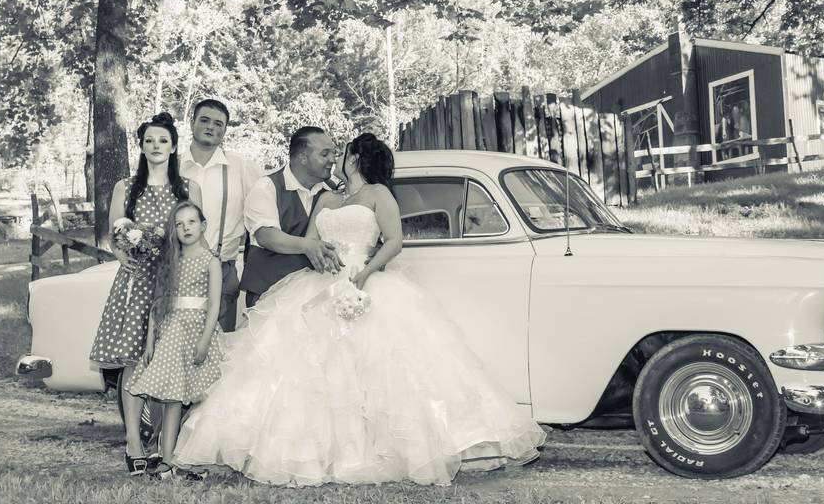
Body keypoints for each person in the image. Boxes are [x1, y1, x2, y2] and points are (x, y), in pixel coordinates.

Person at [173, 133, 546, 486]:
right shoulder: (326, 199)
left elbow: (395, 240)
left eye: (343, 152)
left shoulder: (378, 193)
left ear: (356, 158)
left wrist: (366, 272)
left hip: (367, 279)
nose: (336, 158)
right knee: (310, 370)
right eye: (330, 152)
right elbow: (313, 243)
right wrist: (319, 259)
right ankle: (317, 451)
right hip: (322, 283)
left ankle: (398, 447)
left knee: (382, 369)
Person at [89, 112, 201, 476]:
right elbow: (114, 235)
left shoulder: (187, 188)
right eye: (150, 140)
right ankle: (134, 441)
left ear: (173, 146)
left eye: (163, 141)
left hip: (172, 283)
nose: (156, 146)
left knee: (168, 358)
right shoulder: (126, 186)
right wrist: (128, 255)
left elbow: (195, 237)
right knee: (134, 360)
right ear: (141, 145)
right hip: (136, 282)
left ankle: (162, 444)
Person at [127, 201, 224, 480]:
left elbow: (215, 305)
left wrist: (205, 341)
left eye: (191, 222)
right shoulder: (170, 261)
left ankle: (195, 457)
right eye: (179, 224)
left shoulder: (211, 260)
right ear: (174, 230)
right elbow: (158, 303)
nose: (186, 228)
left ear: (203, 225)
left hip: (198, 331)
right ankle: (168, 460)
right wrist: (149, 342)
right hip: (171, 331)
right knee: (172, 398)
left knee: (198, 399)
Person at [179, 99, 262, 332]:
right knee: (176, 345)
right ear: (192, 122)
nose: (211, 127)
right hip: (175, 269)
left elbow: (270, 197)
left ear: (225, 130)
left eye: (219, 124)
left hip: (223, 269)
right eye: (204, 120)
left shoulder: (240, 165)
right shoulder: (173, 165)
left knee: (220, 347)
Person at [239, 126, 341, 310]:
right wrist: (308, 245)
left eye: (333, 153)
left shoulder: (331, 191)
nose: (332, 160)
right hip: (269, 294)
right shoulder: (266, 187)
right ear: (302, 157)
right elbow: (266, 236)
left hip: (314, 298)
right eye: (325, 154)